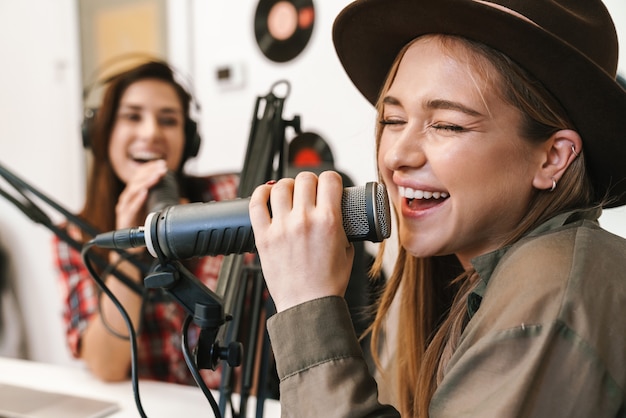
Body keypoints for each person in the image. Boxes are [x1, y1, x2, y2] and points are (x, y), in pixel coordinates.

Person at [248, 0, 626, 416]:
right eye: (392, 120)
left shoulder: (552, 286)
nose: (397, 155)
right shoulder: (466, 283)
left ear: (553, 157)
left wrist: (309, 308)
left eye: (447, 125)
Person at [53, 60, 239, 387]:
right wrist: (128, 253)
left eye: (168, 120)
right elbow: (107, 366)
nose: (151, 132)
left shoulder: (227, 197)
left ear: (189, 140)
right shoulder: (74, 235)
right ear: (101, 132)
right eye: (132, 116)